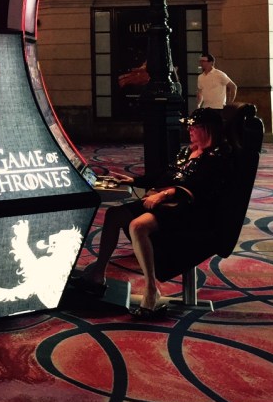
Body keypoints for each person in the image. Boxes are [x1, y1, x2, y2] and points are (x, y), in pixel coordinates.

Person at [74, 108, 229, 318]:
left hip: (189, 209)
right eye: (189, 126)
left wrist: (164, 195)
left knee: (138, 226)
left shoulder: (217, 156)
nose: (189, 130)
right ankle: (98, 274)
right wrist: (134, 181)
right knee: (114, 215)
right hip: (165, 202)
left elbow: (201, 188)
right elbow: (165, 174)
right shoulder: (188, 151)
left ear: (208, 130)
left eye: (194, 127)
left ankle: (151, 290)